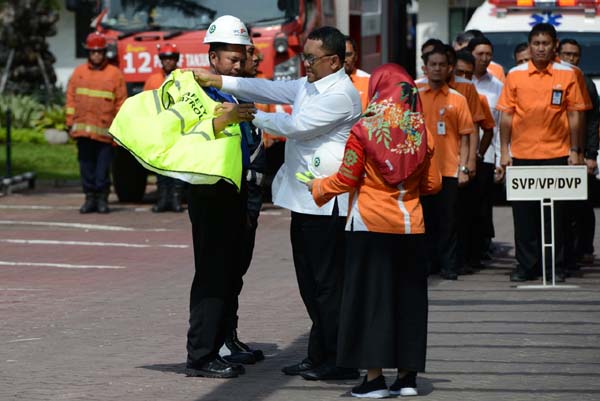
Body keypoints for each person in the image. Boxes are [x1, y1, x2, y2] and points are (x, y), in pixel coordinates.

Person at [193, 26, 362, 381]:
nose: (306, 64)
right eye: (304, 57)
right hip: (304, 199)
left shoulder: (341, 93)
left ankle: (340, 360)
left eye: (312, 59)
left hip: (327, 203)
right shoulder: (311, 83)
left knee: (329, 286)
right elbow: (269, 88)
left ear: (334, 61)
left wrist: (250, 115)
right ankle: (319, 354)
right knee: (310, 285)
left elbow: (297, 126)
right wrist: (221, 81)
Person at [305, 63, 441, 398]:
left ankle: (375, 380)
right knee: (408, 303)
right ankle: (407, 379)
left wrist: (318, 187)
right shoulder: (422, 130)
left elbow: (346, 179)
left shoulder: (363, 129)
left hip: (369, 225)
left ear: (377, 90)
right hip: (411, 225)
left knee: (370, 303)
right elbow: (434, 183)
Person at [184, 15, 258, 379]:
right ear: (213, 58)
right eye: (232, 59)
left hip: (234, 190)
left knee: (229, 273)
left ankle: (220, 345)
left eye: (242, 59)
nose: (238, 65)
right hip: (208, 192)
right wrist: (223, 120)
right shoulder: (195, 92)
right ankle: (201, 355)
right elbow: (185, 136)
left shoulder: (232, 90)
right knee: (212, 275)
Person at [496, 23, 589, 282]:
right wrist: (505, 152)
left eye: (545, 43)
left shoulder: (567, 74)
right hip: (523, 155)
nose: (540, 48)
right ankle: (527, 266)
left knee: (557, 217)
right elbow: (506, 117)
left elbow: (575, 115)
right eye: (535, 44)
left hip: (557, 154)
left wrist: (576, 151)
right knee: (524, 217)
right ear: (529, 46)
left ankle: (556, 267)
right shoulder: (514, 75)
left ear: (554, 45)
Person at [221, 39, 267, 365]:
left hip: (251, 194)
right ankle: (221, 340)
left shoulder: (246, 97)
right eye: (250, 57)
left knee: (237, 271)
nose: (252, 64)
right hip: (236, 193)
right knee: (227, 270)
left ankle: (230, 336)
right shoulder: (224, 99)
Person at [419, 45, 474, 281]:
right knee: (424, 221)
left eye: (442, 64)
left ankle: (450, 266)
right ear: (425, 68)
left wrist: (466, 166)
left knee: (449, 222)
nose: (437, 69)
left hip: (449, 170)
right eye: (433, 64)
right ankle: (427, 265)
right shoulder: (415, 96)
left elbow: (468, 134)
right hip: (420, 172)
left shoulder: (458, 99)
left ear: (449, 68)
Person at [66, 31, 127, 214]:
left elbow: (121, 105)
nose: (96, 55)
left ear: (104, 52)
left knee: (102, 172)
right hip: (83, 133)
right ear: (88, 53)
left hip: (105, 136)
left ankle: (102, 199)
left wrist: (119, 133)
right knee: (86, 169)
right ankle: (89, 199)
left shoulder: (115, 74)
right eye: (93, 52)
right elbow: (70, 99)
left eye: (99, 52)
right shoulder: (78, 73)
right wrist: (70, 123)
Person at [557, 38, 600, 268]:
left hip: (580, 154)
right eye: (565, 54)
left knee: (582, 204)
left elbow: (593, 122)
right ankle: (564, 254)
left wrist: (591, 154)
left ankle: (583, 248)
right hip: (554, 151)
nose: (570, 59)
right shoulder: (554, 77)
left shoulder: (584, 81)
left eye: (574, 55)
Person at [468, 36, 504, 262]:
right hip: (460, 154)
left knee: (482, 204)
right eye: (479, 54)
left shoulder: (498, 86)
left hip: (487, 153)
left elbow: (500, 126)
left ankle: (482, 248)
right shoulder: (461, 81)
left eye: (488, 54)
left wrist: (501, 158)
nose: (484, 59)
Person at [143, 43, 186, 213]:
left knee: (177, 166)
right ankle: (162, 199)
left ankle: (176, 199)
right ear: (161, 60)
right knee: (160, 166)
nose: (168, 62)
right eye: (165, 58)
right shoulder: (153, 80)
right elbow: (146, 103)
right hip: (159, 129)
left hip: (178, 129)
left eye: (171, 58)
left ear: (176, 60)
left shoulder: (184, 78)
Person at [344, 35, 370, 111]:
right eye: (341, 55)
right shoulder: (325, 81)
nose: (344, 59)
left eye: (348, 55)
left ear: (355, 57)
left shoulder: (368, 81)